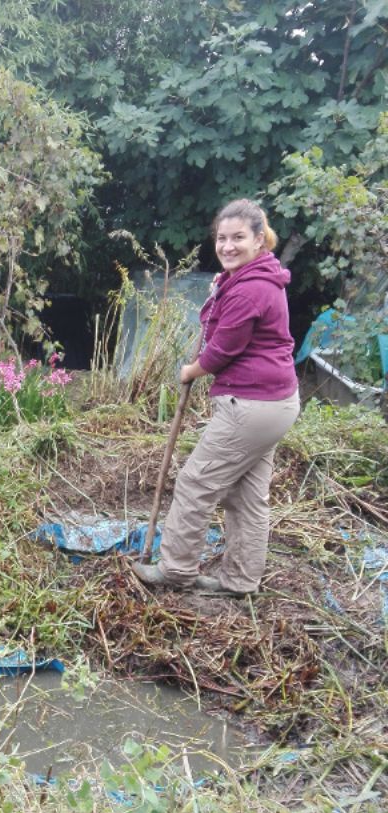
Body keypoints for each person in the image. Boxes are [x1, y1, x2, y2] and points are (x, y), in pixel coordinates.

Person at [132, 199, 300, 596]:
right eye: (222, 239)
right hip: (275, 404)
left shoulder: (251, 288)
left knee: (195, 483)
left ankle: (176, 570)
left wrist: (191, 371)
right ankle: (240, 581)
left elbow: (223, 349)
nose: (227, 246)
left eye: (238, 238)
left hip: (252, 406)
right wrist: (219, 290)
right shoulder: (251, 278)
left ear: (260, 240)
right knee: (246, 496)